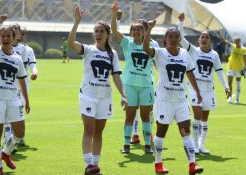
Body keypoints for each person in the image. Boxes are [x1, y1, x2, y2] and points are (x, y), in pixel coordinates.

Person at [68, 5, 127, 175]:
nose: (98, 34)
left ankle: (95, 164)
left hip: (105, 97)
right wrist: (76, 22)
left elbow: (116, 76)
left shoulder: (112, 54)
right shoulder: (88, 50)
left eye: (101, 31)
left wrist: (123, 95)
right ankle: (88, 165)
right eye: (96, 31)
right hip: (88, 95)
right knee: (89, 129)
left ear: (108, 34)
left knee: (99, 132)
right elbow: (72, 44)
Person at [143, 20, 203, 174]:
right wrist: (148, 30)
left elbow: (189, 72)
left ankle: (192, 165)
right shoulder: (159, 52)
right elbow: (145, 48)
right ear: (165, 39)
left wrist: (197, 91)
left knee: (186, 132)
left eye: (177, 36)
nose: (174, 39)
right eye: (171, 36)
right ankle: (158, 164)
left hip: (181, 100)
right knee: (161, 132)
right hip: (164, 101)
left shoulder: (184, 53)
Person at [0, 10, 30, 175]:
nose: (6, 38)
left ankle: (6, 153)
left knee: (20, 133)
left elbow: (22, 79)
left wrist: (27, 101)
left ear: (15, 38)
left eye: (9, 36)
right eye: (3, 36)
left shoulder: (17, 58)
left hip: (14, 99)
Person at [178, 13, 231, 154]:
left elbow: (219, 71)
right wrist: (181, 22)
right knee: (196, 115)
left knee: (204, 118)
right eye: (202, 37)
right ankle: (195, 145)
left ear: (210, 41)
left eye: (207, 37)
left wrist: (226, 86)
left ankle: (201, 145)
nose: (204, 39)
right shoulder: (193, 50)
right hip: (196, 89)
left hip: (209, 90)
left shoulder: (214, 55)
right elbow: (181, 39)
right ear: (198, 40)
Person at [111, 1, 155, 154]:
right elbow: (114, 31)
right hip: (129, 84)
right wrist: (115, 17)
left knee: (145, 116)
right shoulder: (127, 43)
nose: (136, 32)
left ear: (144, 32)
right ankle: (126, 145)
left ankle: (148, 146)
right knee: (129, 115)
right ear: (131, 32)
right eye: (134, 30)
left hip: (146, 85)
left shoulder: (152, 44)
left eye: (140, 29)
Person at [218, 31, 246, 104]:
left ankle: (237, 99)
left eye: (237, 41)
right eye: (235, 41)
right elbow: (224, 41)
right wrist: (219, 33)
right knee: (229, 83)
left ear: (240, 41)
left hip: (239, 69)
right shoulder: (233, 46)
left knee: (238, 84)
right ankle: (230, 97)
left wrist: (245, 69)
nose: (236, 42)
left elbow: (244, 59)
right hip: (231, 67)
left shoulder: (243, 49)